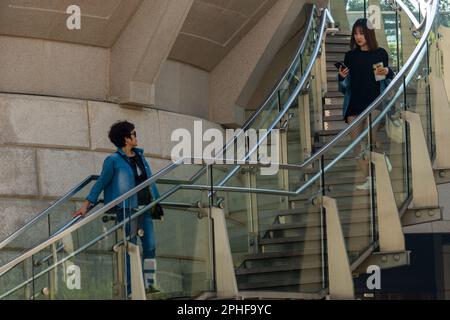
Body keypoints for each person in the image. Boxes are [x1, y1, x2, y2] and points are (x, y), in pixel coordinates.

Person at [74, 121, 160, 295]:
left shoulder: (140, 157)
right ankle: (130, 288)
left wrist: (157, 201)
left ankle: (149, 284)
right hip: (127, 209)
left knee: (150, 245)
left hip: (146, 207)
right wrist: (86, 205)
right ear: (126, 138)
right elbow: (101, 183)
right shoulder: (113, 160)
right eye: (134, 134)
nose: (136, 137)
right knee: (130, 248)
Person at [337, 18, 395, 190]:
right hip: (354, 105)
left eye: (361, 33)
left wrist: (388, 72)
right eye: (355, 33)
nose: (358, 37)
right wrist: (341, 77)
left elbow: (383, 79)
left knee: (370, 137)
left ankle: (382, 157)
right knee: (356, 145)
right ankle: (369, 178)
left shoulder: (380, 54)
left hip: (375, 103)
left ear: (369, 34)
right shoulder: (350, 56)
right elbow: (344, 87)